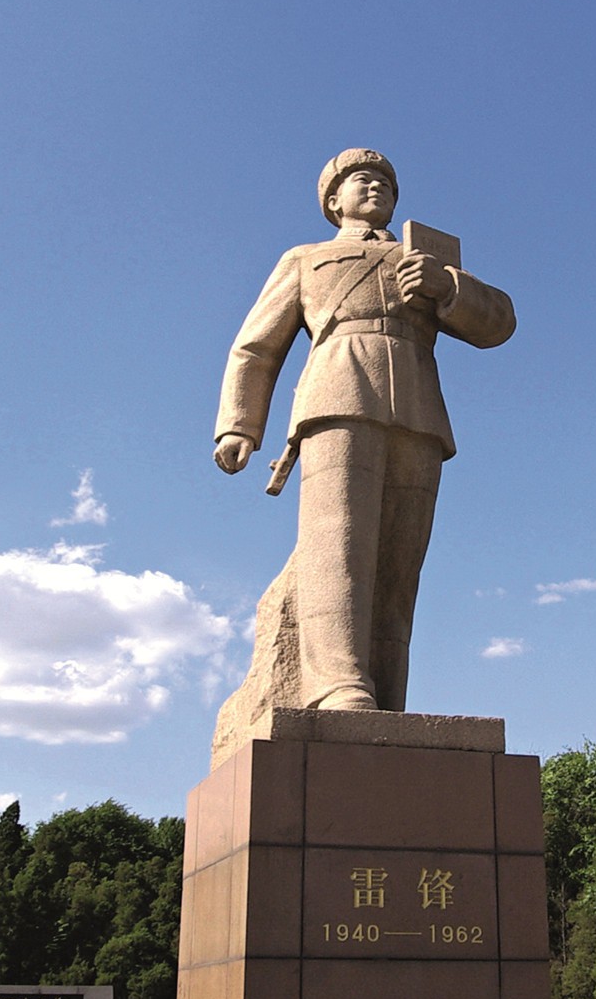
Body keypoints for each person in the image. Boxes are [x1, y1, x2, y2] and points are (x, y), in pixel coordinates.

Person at [215, 149, 515, 713]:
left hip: (420, 409)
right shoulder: (306, 259)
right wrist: (239, 424)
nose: (376, 188)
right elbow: (256, 347)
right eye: (362, 180)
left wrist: (448, 288)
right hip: (338, 394)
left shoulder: (424, 260)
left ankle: (384, 690)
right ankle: (335, 685)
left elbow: (499, 321)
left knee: (399, 562)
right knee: (339, 545)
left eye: (386, 182)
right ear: (334, 200)